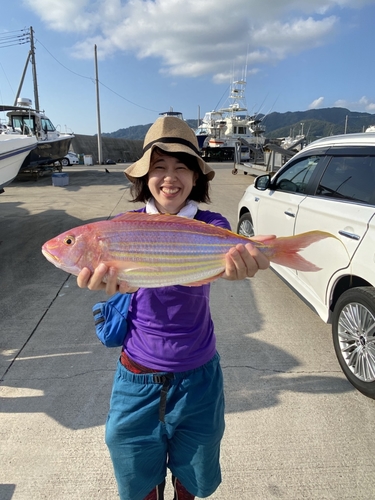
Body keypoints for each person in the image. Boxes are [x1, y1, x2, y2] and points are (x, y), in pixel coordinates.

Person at [77, 116, 271, 500]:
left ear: (196, 176)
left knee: (195, 467)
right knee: (132, 465)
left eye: (181, 167)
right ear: (144, 177)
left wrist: (238, 268)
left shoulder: (211, 223)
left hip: (198, 374)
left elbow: (222, 264)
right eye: (159, 167)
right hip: (136, 374)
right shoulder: (123, 225)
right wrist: (108, 286)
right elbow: (119, 280)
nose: (170, 177)